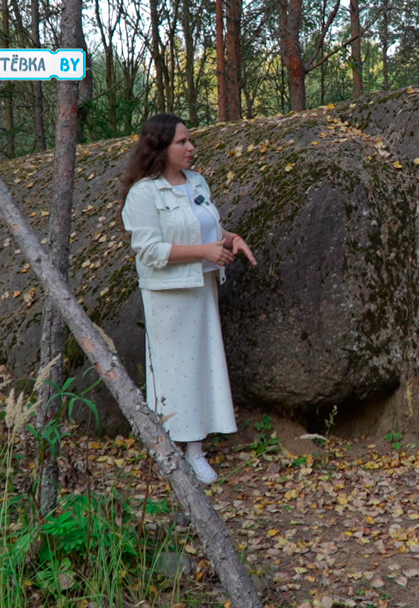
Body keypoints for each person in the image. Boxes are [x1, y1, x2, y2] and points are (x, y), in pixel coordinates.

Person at [119, 113, 257, 485]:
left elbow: (203, 226)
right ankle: (178, 451)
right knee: (174, 370)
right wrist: (202, 252)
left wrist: (230, 239)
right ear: (160, 147)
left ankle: (195, 448)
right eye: (182, 142)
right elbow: (149, 250)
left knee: (201, 364)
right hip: (168, 294)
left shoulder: (196, 182)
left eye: (189, 140)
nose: (190, 147)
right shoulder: (144, 193)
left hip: (201, 286)